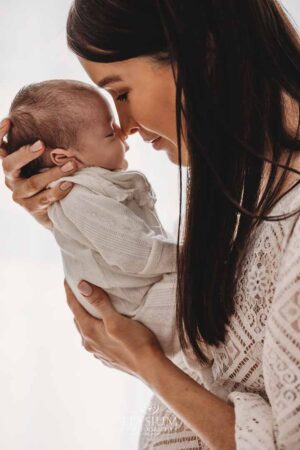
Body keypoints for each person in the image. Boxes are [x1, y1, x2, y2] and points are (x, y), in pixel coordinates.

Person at [1, 0, 300, 449]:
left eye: (120, 92)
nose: (124, 127)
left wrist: (144, 362)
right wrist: (65, 213)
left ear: (204, 52)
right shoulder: (232, 191)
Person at [6, 79, 181, 360]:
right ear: (64, 157)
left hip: (139, 300)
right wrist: (191, 260)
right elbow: (137, 254)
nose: (123, 133)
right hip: (138, 310)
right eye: (109, 134)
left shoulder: (90, 188)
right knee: (206, 294)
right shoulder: (78, 196)